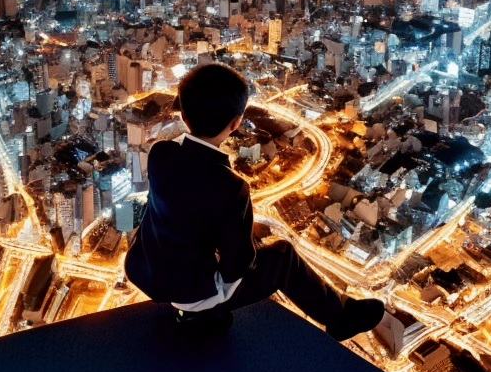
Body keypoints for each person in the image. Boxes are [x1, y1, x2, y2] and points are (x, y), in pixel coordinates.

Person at [125, 63, 384, 341]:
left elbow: (184, 204)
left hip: (145, 271)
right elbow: (237, 266)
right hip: (195, 293)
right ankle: (340, 316)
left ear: (184, 115)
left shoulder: (160, 154)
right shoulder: (232, 186)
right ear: (236, 123)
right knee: (283, 256)